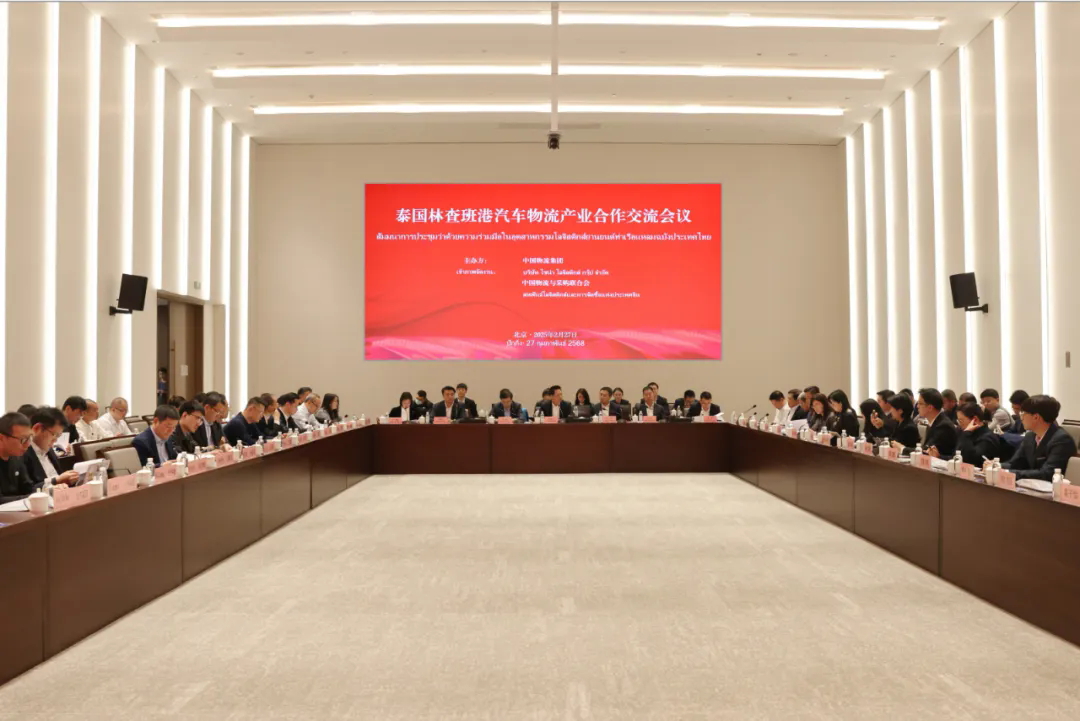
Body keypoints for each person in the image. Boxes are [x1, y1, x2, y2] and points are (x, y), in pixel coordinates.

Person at [1003, 394, 1078, 481]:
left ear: (1036, 417)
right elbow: (1014, 463)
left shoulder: (1062, 440)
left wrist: (1009, 473)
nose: (1021, 418)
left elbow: (1047, 474)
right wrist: (995, 466)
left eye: (1023, 413)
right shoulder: (1030, 436)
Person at [24, 407, 80, 488]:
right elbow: (28, 489)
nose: (55, 440)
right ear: (37, 429)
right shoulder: (22, 453)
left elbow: (59, 477)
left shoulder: (49, 449)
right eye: (54, 434)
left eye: (59, 435)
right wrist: (56, 480)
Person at [0, 412, 35, 503]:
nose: (27, 444)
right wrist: (33, 497)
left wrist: (53, 484)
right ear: (1, 438)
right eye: (23, 439)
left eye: (29, 439)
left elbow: (29, 488)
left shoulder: (16, 458)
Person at [915, 388, 959, 459]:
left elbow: (927, 450)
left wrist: (903, 449)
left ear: (930, 407)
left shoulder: (943, 426)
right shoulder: (936, 421)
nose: (917, 406)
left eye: (920, 403)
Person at [955, 402, 1002, 466]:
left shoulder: (988, 438)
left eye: (961, 421)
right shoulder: (965, 432)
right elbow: (956, 455)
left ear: (975, 419)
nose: (960, 425)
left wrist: (966, 434)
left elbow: (972, 461)